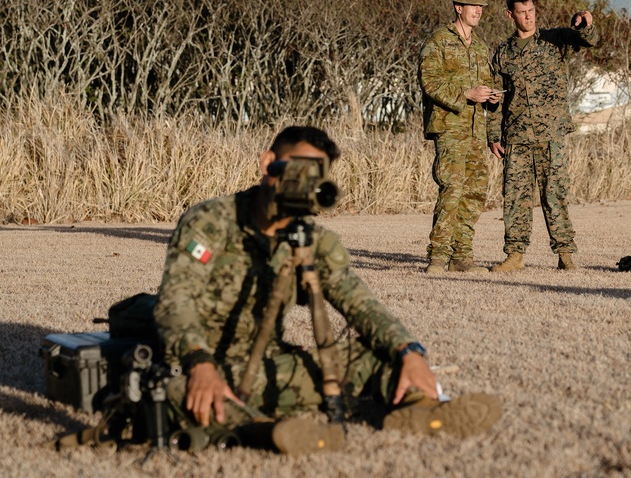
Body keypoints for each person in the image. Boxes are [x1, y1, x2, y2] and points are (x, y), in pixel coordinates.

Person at [153, 126, 501, 454]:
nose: (304, 183)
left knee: (375, 357)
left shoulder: (314, 242)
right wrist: (199, 363)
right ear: (267, 163)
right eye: (298, 169)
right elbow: (176, 300)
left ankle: (423, 409)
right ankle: (264, 430)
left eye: (315, 175)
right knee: (169, 394)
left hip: (269, 370)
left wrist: (408, 350)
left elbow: (359, 303)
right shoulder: (211, 220)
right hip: (201, 367)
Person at [487, 0, 599, 272]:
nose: (529, 16)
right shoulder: (504, 52)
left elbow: (588, 40)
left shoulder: (554, 40)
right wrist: (493, 134)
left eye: (532, 10)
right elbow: (496, 96)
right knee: (515, 197)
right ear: (510, 15)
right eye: (523, 12)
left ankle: (565, 254)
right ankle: (515, 255)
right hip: (516, 136)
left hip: (551, 134)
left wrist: (585, 23)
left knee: (555, 195)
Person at [417, 0, 501, 274]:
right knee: (452, 189)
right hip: (450, 127)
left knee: (476, 192)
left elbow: (483, 85)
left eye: (481, 7)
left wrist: (490, 97)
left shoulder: (480, 46)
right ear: (458, 8)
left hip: (476, 129)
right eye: (472, 5)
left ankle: (462, 257)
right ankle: (438, 257)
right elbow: (430, 82)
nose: (478, 11)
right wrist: (466, 93)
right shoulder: (438, 40)